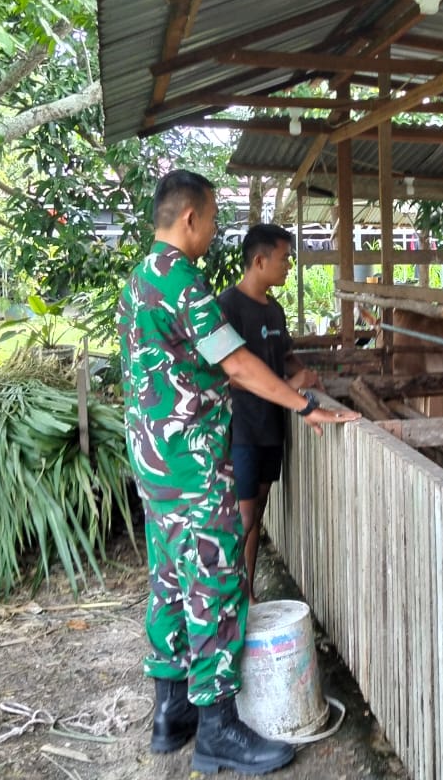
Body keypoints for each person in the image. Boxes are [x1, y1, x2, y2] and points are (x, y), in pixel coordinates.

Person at [117, 170, 358, 776]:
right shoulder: (184, 283)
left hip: (153, 461)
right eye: (213, 218)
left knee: (170, 579)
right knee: (217, 585)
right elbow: (239, 365)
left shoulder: (137, 282)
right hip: (193, 464)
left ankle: (171, 715)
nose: (215, 230)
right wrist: (304, 404)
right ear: (190, 218)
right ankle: (220, 730)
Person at [216, 223, 317, 604]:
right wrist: (289, 387)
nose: (288, 265)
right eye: (284, 259)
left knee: (257, 510)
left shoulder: (274, 310)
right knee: (242, 516)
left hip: (271, 427)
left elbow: (284, 356)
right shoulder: (228, 307)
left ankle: (248, 592)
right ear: (259, 261)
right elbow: (232, 375)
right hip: (242, 428)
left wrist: (304, 374)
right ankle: (226, 596)